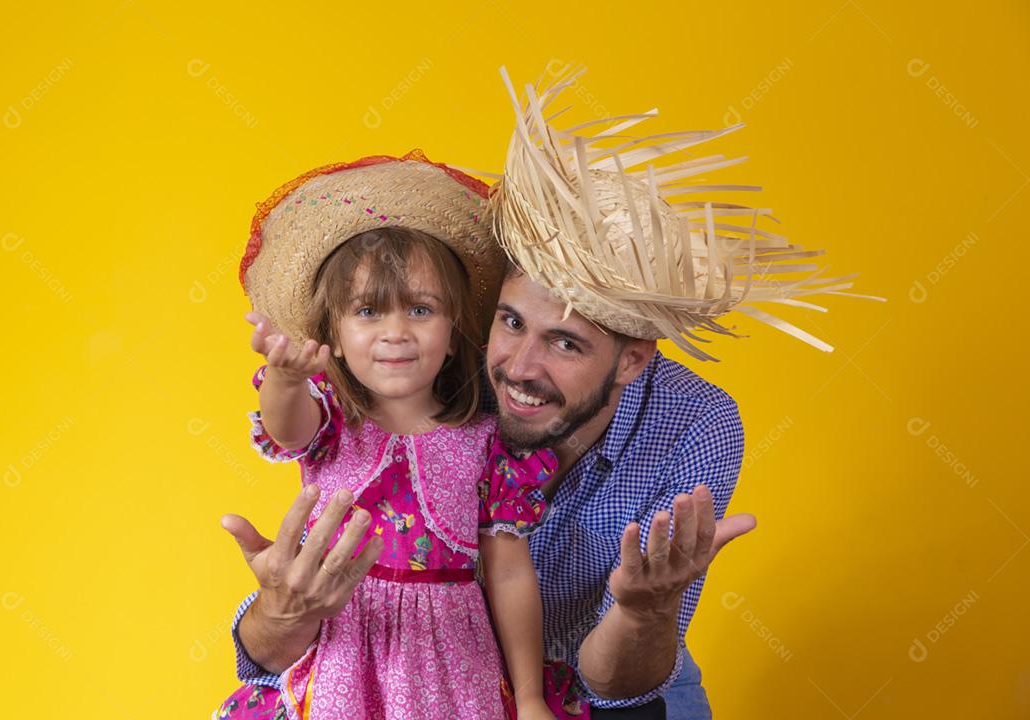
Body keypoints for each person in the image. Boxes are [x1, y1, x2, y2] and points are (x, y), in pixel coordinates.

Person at [222, 67, 877, 719]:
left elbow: (616, 680)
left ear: (632, 362)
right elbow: (271, 637)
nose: (518, 367)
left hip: (592, 679)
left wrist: (640, 611)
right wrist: (286, 606)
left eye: (566, 343)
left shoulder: (695, 423)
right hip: (369, 668)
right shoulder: (430, 364)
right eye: (510, 322)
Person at [217, 151, 560, 720]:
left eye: (421, 310)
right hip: (343, 647)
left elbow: (506, 570)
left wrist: (527, 696)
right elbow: (286, 425)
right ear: (333, 335)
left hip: (452, 665)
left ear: (453, 336)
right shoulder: (328, 418)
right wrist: (284, 377)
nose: (396, 332)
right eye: (369, 311)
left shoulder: (486, 442)